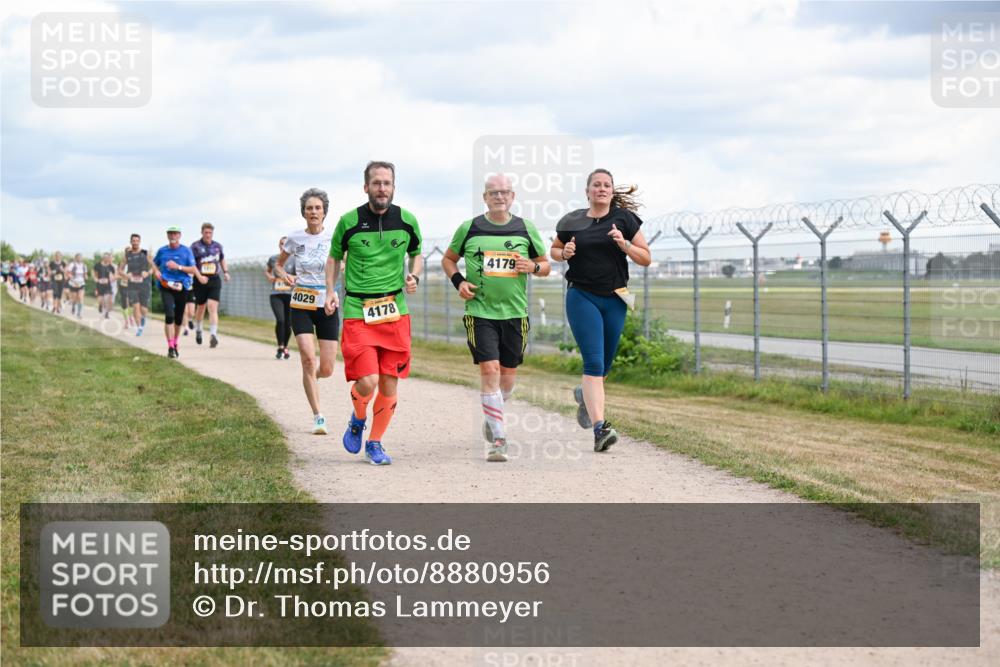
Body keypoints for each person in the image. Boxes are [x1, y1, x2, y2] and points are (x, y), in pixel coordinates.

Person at [441, 174, 550, 462]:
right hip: (480, 312)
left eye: (504, 192)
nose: (499, 197)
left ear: (512, 196)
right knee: (490, 370)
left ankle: (493, 414)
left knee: (507, 381)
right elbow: (448, 259)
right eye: (493, 193)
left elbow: (545, 264)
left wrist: (533, 267)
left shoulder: (525, 228)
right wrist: (459, 282)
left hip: (515, 314)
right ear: (485, 197)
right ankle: (499, 438)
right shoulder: (470, 227)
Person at [549, 168, 651, 452]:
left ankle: (585, 395)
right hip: (582, 296)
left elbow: (645, 258)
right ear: (588, 191)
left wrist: (625, 244)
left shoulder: (624, 219)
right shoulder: (572, 220)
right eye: (596, 185)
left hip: (615, 297)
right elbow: (554, 251)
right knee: (593, 363)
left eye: (607, 185)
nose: (602, 189)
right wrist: (564, 253)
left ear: (611, 191)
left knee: (604, 367)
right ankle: (600, 429)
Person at [331, 161, 423, 466]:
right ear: (366, 187)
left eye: (387, 183)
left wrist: (414, 275)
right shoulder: (349, 222)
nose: (382, 188)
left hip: (395, 312)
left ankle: (375, 442)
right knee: (367, 380)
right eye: (376, 183)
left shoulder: (407, 220)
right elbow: (333, 257)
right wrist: (330, 290)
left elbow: (416, 253)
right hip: (359, 310)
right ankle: (358, 419)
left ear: (394, 187)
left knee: (388, 383)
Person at [272, 189, 338, 434]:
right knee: (308, 358)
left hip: (326, 303)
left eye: (317, 208)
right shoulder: (294, 238)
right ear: (303, 212)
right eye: (309, 208)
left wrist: (336, 292)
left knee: (327, 368)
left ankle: (312, 378)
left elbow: (348, 264)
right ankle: (318, 415)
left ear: (324, 212)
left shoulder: (335, 238)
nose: (313, 212)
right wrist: (285, 274)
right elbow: (278, 265)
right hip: (301, 302)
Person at [152, 226, 207, 358]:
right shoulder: (162, 250)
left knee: (178, 318)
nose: (172, 236)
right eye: (170, 233)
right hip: (166, 286)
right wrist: (156, 271)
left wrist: (178, 267)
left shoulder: (186, 251)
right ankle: (170, 346)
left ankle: (175, 342)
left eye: (175, 234)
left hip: (181, 287)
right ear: (167, 235)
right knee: (169, 315)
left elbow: (193, 269)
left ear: (179, 235)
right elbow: (154, 264)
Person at [190, 222, 230, 348]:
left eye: (210, 233)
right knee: (201, 308)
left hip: (214, 279)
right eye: (206, 232)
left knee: (212, 307)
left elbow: (222, 259)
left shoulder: (218, 246)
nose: (208, 235)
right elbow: (191, 264)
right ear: (202, 232)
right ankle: (199, 330)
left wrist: (226, 272)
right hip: (200, 280)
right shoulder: (195, 246)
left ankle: (213, 335)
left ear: (213, 233)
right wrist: (198, 277)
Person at [265, 236, 296, 360]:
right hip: (276, 294)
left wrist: (289, 277)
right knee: (281, 320)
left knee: (289, 323)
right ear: (279, 246)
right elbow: (267, 271)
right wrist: (270, 277)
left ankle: (286, 347)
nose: (284, 246)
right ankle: (280, 346)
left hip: (290, 294)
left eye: (286, 244)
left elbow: (298, 274)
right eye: (281, 244)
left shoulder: (294, 259)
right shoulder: (273, 258)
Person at [120, 234, 152, 336]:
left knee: (143, 309)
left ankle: (143, 320)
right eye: (133, 241)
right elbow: (119, 270)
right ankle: (139, 328)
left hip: (144, 284)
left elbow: (154, 267)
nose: (135, 242)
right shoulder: (127, 255)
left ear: (139, 241)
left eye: (137, 241)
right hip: (132, 284)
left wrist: (147, 273)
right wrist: (126, 275)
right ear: (131, 242)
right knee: (135, 307)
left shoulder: (145, 253)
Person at [92, 253, 116, 319]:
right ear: (103, 258)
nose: (106, 259)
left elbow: (114, 275)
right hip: (99, 285)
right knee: (101, 300)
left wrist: (110, 279)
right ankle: (100, 305)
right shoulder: (98, 265)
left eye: (107, 258)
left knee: (107, 299)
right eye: (105, 257)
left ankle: (107, 313)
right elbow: (94, 273)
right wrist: (96, 279)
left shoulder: (111, 267)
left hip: (108, 285)